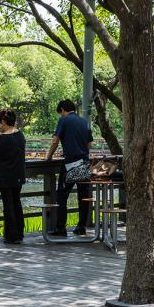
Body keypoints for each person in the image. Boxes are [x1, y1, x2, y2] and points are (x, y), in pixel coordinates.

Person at [45, 99, 93, 236]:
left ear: (62, 110)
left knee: (62, 195)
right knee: (83, 196)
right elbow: (89, 144)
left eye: (60, 113)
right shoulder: (84, 122)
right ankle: (81, 226)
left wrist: (48, 156)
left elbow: (55, 141)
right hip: (84, 162)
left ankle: (61, 228)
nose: (61, 115)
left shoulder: (64, 120)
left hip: (71, 163)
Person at [0, 109, 26, 244]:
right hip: (18, 175)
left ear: (3, 121)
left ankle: (11, 235)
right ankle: (20, 233)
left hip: (5, 175)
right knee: (17, 203)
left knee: (8, 205)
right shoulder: (20, 135)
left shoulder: (2, 138)